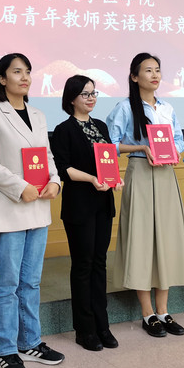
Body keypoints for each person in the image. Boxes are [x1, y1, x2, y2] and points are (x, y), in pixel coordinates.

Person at [0, 53, 65, 368]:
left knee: (31, 281)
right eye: (17, 71)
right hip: (9, 208)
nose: (25, 77)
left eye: (28, 71)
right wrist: (20, 187)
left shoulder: (39, 114)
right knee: (7, 284)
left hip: (39, 207)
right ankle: (5, 351)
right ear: (2, 79)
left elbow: (47, 155)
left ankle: (30, 343)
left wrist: (55, 181)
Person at [106, 53, 184, 338]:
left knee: (166, 239)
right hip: (140, 172)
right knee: (143, 239)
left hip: (166, 173)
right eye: (148, 70)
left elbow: (179, 139)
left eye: (157, 70)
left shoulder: (167, 107)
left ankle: (164, 311)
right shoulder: (124, 108)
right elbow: (110, 144)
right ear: (134, 77)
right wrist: (141, 148)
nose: (155, 75)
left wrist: (171, 152)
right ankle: (147, 314)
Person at [50, 75, 123, 352]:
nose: (91, 98)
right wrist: (92, 178)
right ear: (71, 98)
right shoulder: (63, 130)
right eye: (85, 94)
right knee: (83, 265)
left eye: (93, 93)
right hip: (79, 205)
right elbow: (63, 168)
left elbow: (108, 160)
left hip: (102, 203)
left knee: (99, 263)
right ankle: (85, 329)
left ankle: (102, 325)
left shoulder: (100, 126)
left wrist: (115, 178)